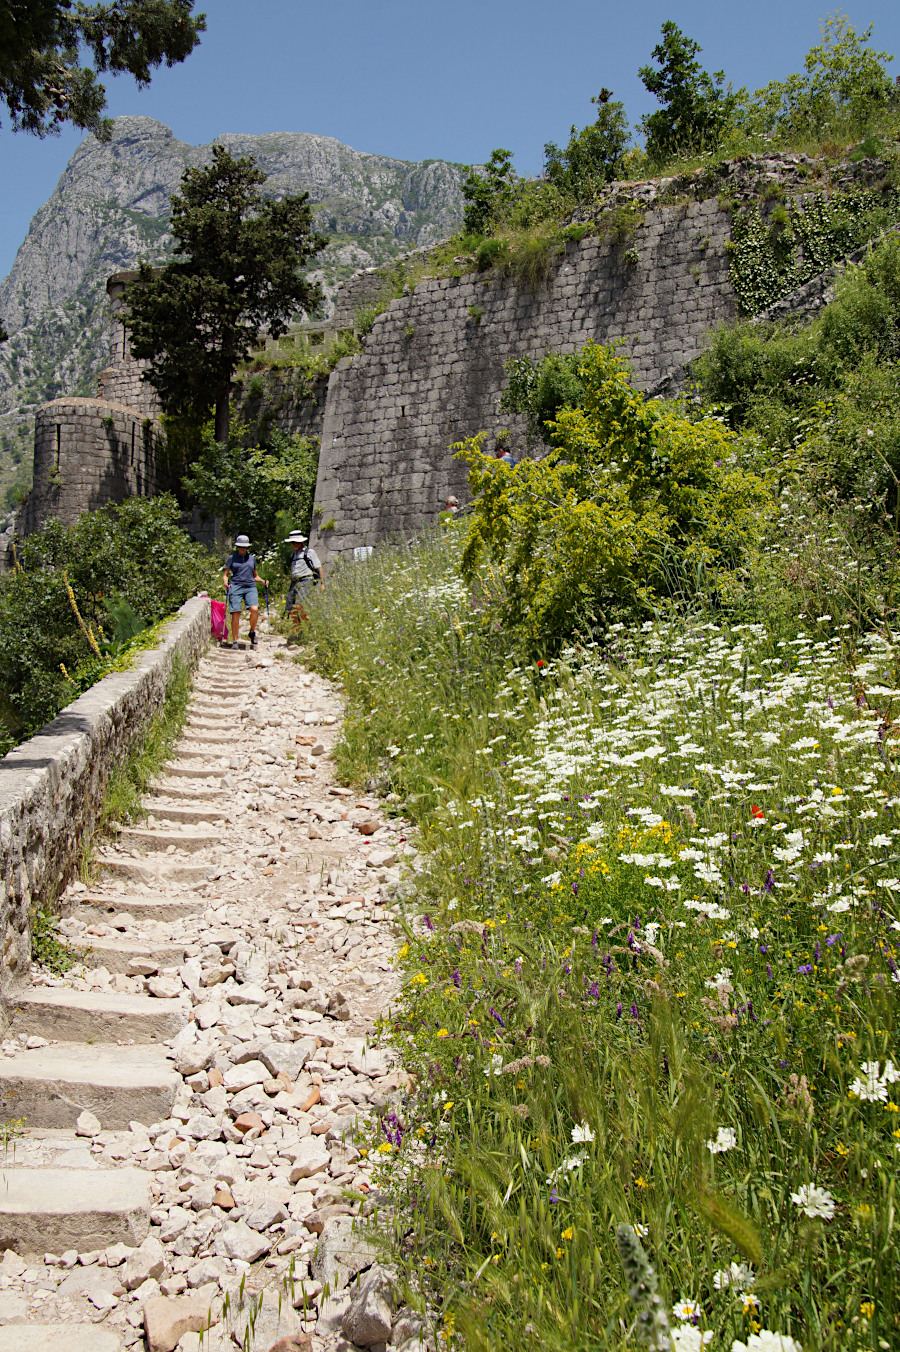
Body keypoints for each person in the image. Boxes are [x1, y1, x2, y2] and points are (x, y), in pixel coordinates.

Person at [222, 535, 268, 649]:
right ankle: (235, 641)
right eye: (241, 547)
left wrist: (263, 581)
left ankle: (252, 632)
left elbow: (255, 576)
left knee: (254, 609)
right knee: (236, 612)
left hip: (250, 586)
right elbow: (226, 574)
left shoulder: (252, 559)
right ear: (237, 547)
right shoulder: (231, 558)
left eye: (245, 547)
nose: (243, 549)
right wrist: (225, 582)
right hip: (236, 586)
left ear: (247, 547)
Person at [284, 530, 324, 619]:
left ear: (301, 541)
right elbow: (293, 571)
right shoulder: (293, 555)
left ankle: (306, 626)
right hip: (295, 582)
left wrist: (322, 584)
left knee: (299, 606)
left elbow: (319, 567)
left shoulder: (309, 552)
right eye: (292, 542)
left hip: (306, 580)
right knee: (291, 609)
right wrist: (291, 585)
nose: (294, 544)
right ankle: (297, 631)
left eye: (296, 542)